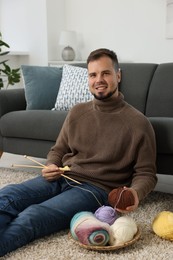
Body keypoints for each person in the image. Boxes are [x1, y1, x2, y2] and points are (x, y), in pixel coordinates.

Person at [0, 48, 157, 256]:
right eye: (93, 75)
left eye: (106, 73)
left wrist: (135, 194)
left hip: (95, 190)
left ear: (118, 75)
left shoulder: (138, 123)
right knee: (8, 196)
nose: (98, 79)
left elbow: (146, 173)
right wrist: (51, 164)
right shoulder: (77, 112)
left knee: (33, 216)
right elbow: (58, 149)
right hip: (62, 175)